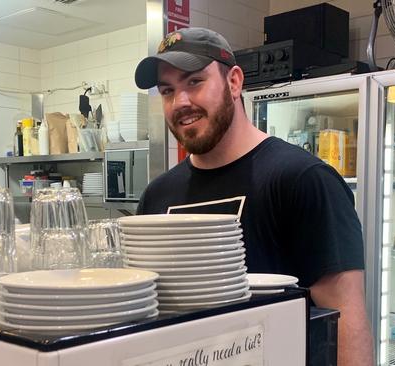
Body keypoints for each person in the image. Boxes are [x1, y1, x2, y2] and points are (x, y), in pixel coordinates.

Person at [134, 27, 373, 366]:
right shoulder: (157, 195)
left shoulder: (303, 180)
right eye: (167, 90)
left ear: (234, 82)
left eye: (194, 82)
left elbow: (345, 322)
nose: (180, 102)